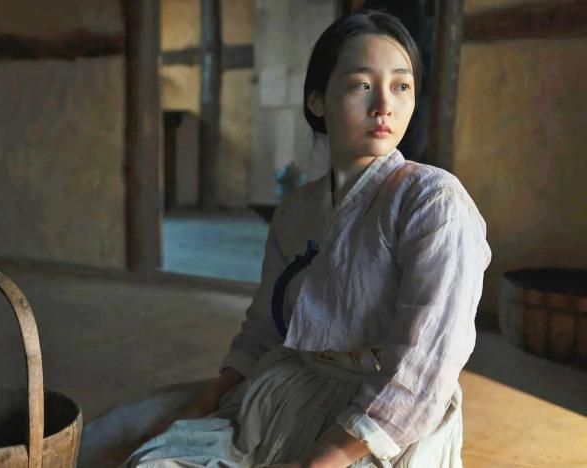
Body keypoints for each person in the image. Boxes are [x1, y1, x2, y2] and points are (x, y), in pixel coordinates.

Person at [124, 10, 490, 468]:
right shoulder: (296, 210)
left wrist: (326, 457)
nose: (384, 106)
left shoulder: (434, 201)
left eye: (401, 86)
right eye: (362, 85)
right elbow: (266, 326)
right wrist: (205, 402)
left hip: (384, 423)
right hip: (291, 392)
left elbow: (427, 366)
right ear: (317, 100)